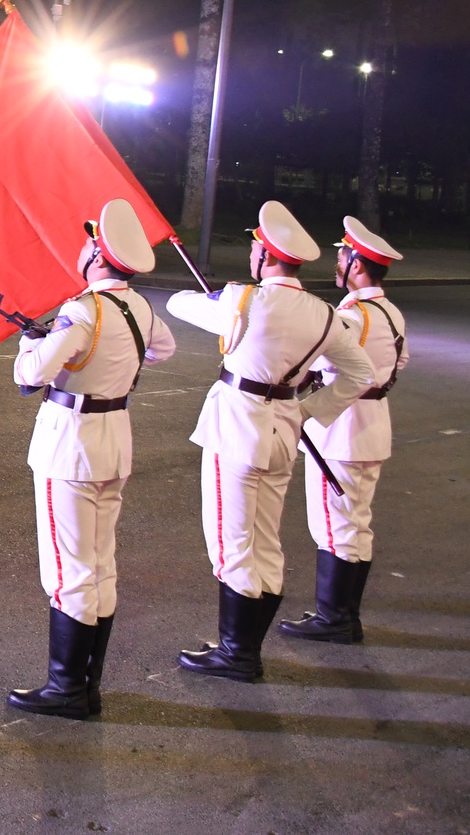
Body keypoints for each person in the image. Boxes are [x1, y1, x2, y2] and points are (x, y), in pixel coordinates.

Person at [165, 201, 374, 682]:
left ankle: (237, 654)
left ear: (264, 255)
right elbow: (359, 372)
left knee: (230, 541)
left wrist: (223, 300)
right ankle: (245, 648)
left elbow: (177, 303)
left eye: (255, 247)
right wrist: (308, 410)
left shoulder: (245, 299)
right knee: (265, 541)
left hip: (237, 426)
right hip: (284, 425)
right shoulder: (324, 314)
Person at [4, 200, 177, 719]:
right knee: (99, 567)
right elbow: (161, 350)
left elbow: (29, 376)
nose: (82, 250)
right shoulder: (141, 309)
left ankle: (67, 690)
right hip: (112, 442)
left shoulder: (82, 311)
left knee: (68, 571)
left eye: (88, 244)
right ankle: (86, 685)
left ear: (99, 256)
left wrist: (30, 340)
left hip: (70, 446)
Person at [279, 216, 409, 644]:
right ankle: (344, 615)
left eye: (341, 257)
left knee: (334, 526)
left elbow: (323, 357)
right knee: (356, 523)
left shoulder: (353, 315)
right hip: (373, 425)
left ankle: (334, 619)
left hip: (343, 428)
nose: (337, 264)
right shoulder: (390, 312)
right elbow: (396, 365)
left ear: (356, 264)